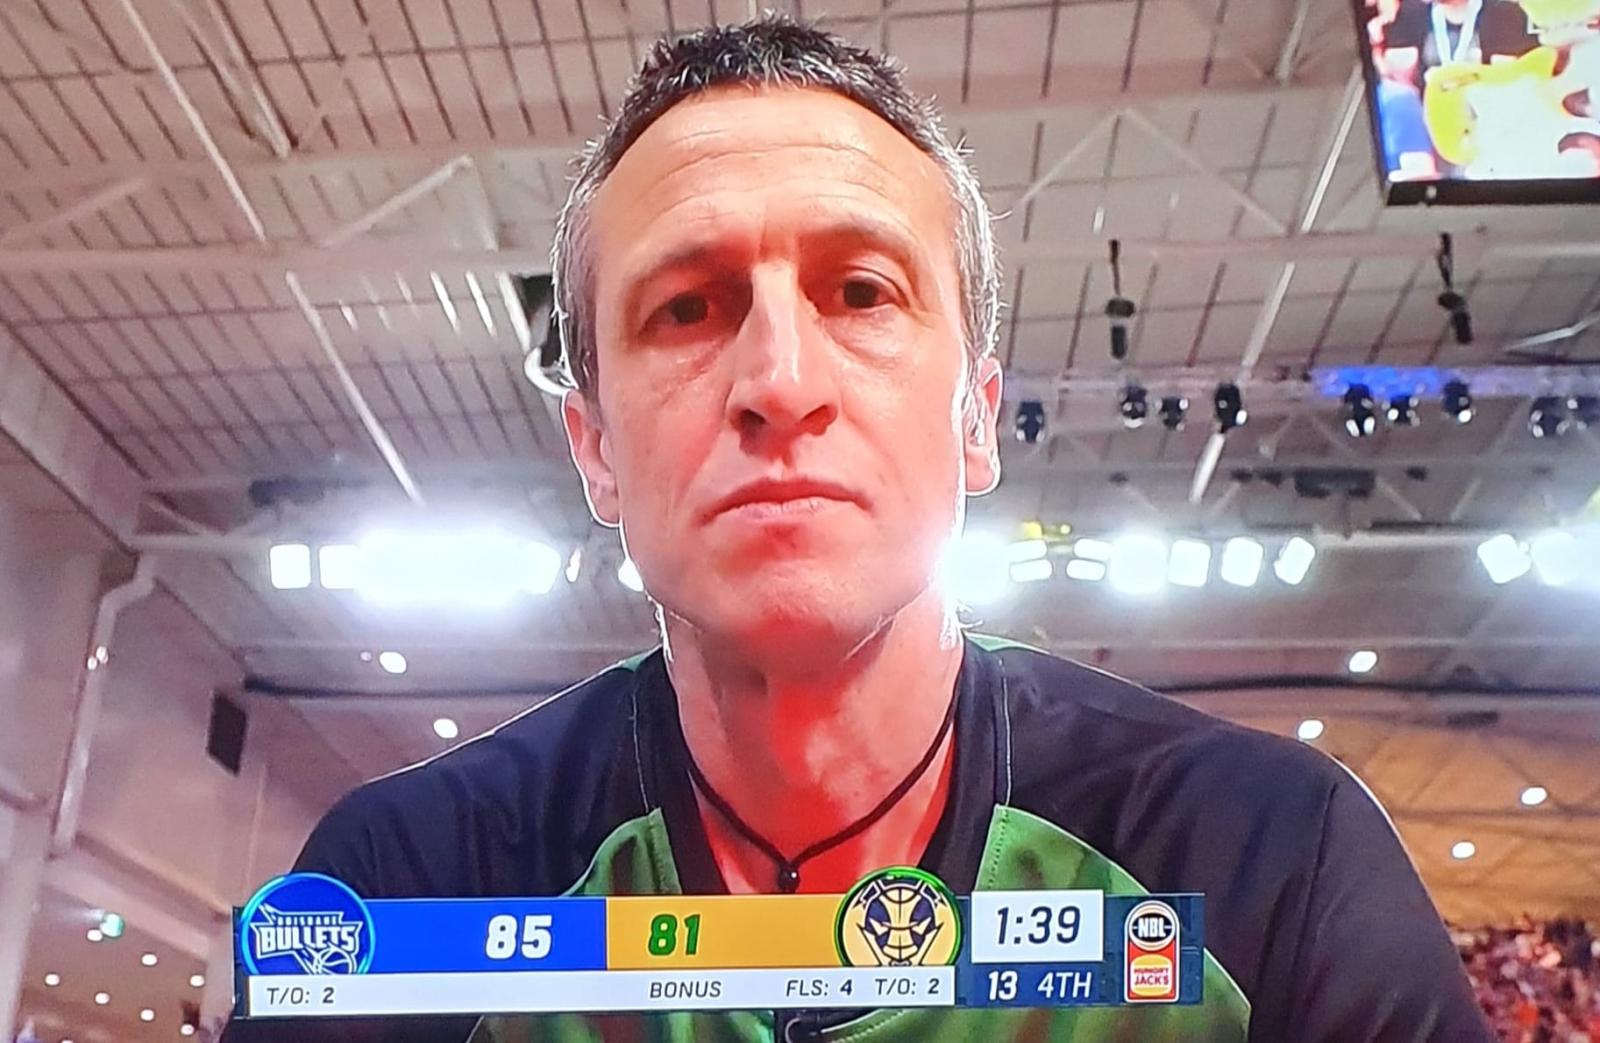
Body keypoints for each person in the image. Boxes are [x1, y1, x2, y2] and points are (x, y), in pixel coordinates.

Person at [223, 15, 1494, 1043]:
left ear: (976, 420)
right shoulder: (404, 886)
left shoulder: (1271, 860)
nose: (779, 378)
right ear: (595, 446)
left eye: (862, 291)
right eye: (686, 307)